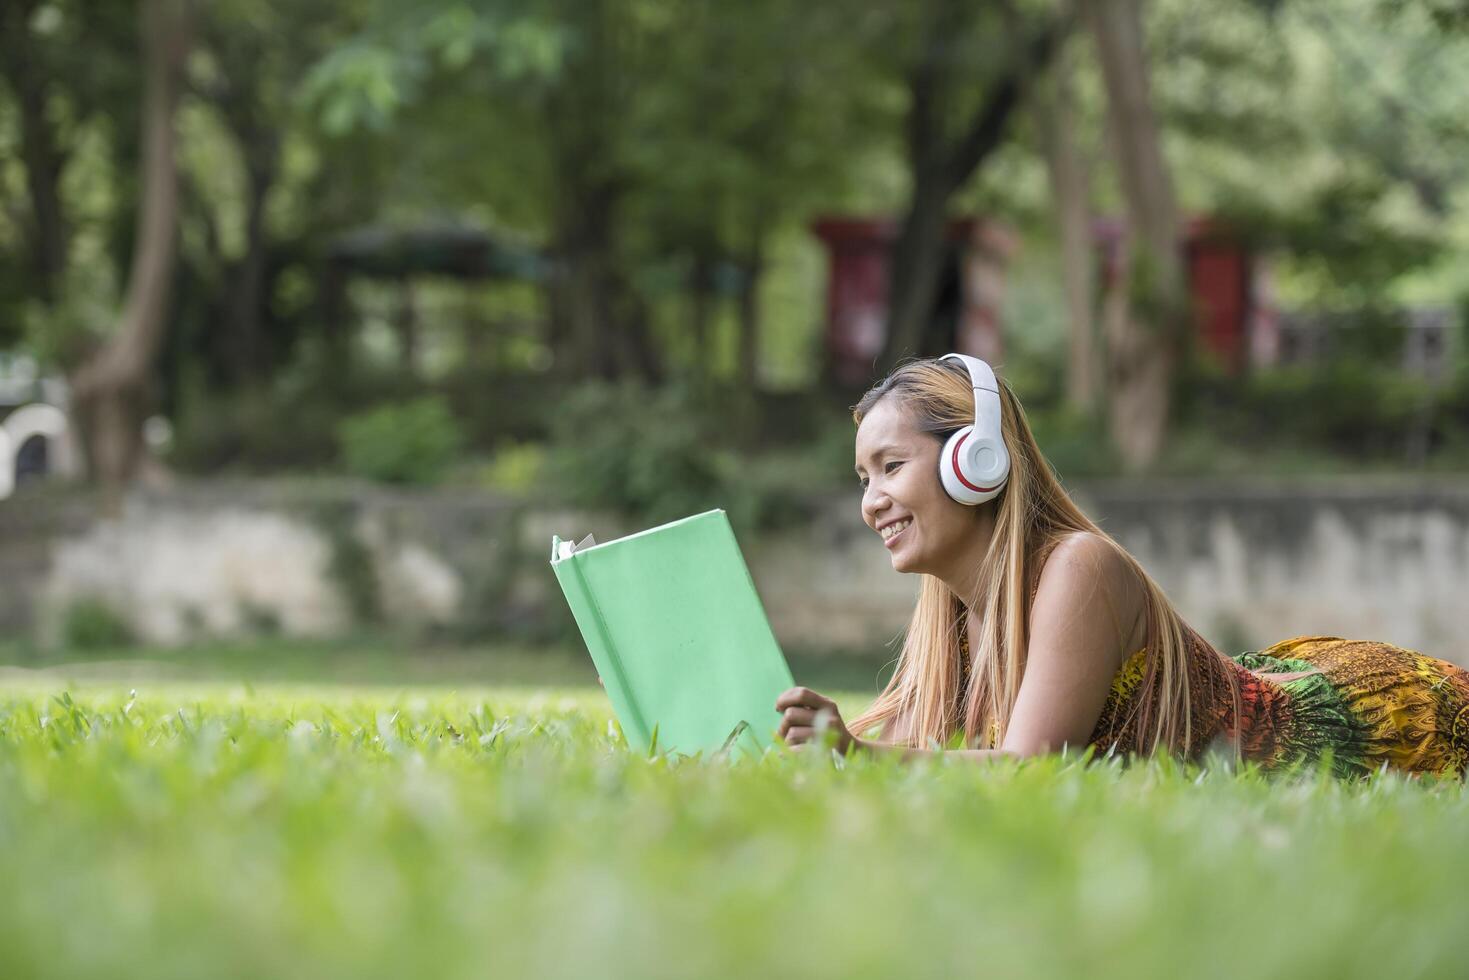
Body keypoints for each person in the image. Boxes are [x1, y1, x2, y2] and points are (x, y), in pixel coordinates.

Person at [775, 354, 1469, 778]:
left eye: (890, 468)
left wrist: (859, 761)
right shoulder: (952, 623)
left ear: (975, 462)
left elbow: (1032, 770)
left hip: (1379, 729)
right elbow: (871, 743)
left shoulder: (1079, 568)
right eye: (863, 478)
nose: (872, 503)